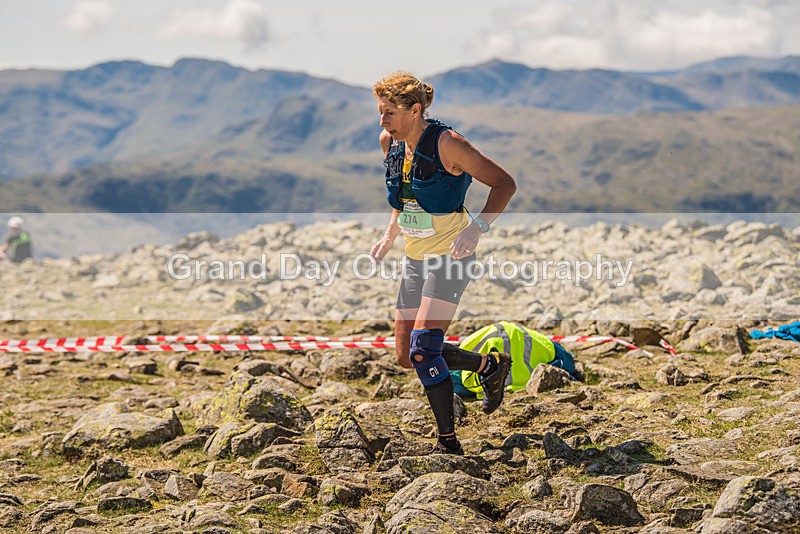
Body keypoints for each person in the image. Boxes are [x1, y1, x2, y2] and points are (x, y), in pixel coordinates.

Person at [370, 72, 517, 455]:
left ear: (414, 110)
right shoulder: (391, 142)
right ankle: (488, 367)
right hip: (415, 260)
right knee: (406, 356)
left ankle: (448, 444)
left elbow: (505, 183)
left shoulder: (449, 144)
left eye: (388, 112)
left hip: (452, 259)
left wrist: (478, 228)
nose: (382, 121)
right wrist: (390, 234)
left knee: (423, 351)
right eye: (380, 112)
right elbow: (400, 196)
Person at [453, 321, 580, 399]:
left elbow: (449, 375)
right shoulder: (540, 342)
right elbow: (566, 362)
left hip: (490, 338)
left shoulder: (470, 343)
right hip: (524, 336)